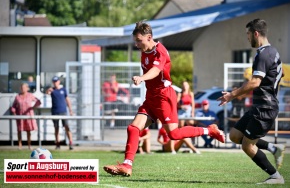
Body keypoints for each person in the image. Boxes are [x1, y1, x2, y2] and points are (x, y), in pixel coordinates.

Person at [103, 21, 225, 177]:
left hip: (164, 97)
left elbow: (156, 70)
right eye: (135, 41)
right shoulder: (144, 49)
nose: (136, 44)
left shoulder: (160, 51)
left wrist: (141, 78)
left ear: (149, 37)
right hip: (151, 97)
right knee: (133, 128)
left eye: (139, 41)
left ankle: (209, 130)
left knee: (173, 134)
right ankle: (127, 165)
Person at [217, 19, 285, 184]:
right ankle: (273, 149)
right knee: (234, 135)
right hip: (261, 106)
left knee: (247, 146)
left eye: (248, 34)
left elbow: (255, 82)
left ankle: (276, 176)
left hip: (264, 109)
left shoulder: (263, 54)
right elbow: (279, 75)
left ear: (256, 33)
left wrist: (232, 94)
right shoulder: (273, 52)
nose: (247, 38)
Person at [11, 83, 41, 150]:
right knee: (19, 130)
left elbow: (38, 101)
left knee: (28, 130)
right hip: (20, 115)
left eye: (24, 87)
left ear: (27, 88)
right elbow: (13, 106)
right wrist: (14, 112)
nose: (22, 89)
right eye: (21, 88)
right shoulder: (17, 96)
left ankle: (29, 145)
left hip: (28, 115)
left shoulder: (30, 95)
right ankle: (20, 145)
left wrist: (33, 107)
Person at [46, 76, 74, 150]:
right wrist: (48, 90)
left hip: (63, 111)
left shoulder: (63, 90)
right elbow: (47, 93)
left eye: (56, 81)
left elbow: (67, 99)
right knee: (56, 128)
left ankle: (71, 143)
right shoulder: (52, 90)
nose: (55, 83)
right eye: (54, 82)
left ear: (59, 82)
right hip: (55, 112)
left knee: (66, 127)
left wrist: (70, 110)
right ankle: (57, 143)